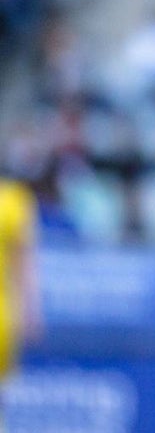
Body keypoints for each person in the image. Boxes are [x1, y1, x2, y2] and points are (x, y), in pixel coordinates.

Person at [0, 177, 42, 429]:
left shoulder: (14, 201)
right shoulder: (14, 200)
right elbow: (26, 264)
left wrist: (30, 310)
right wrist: (31, 310)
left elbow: (24, 263)